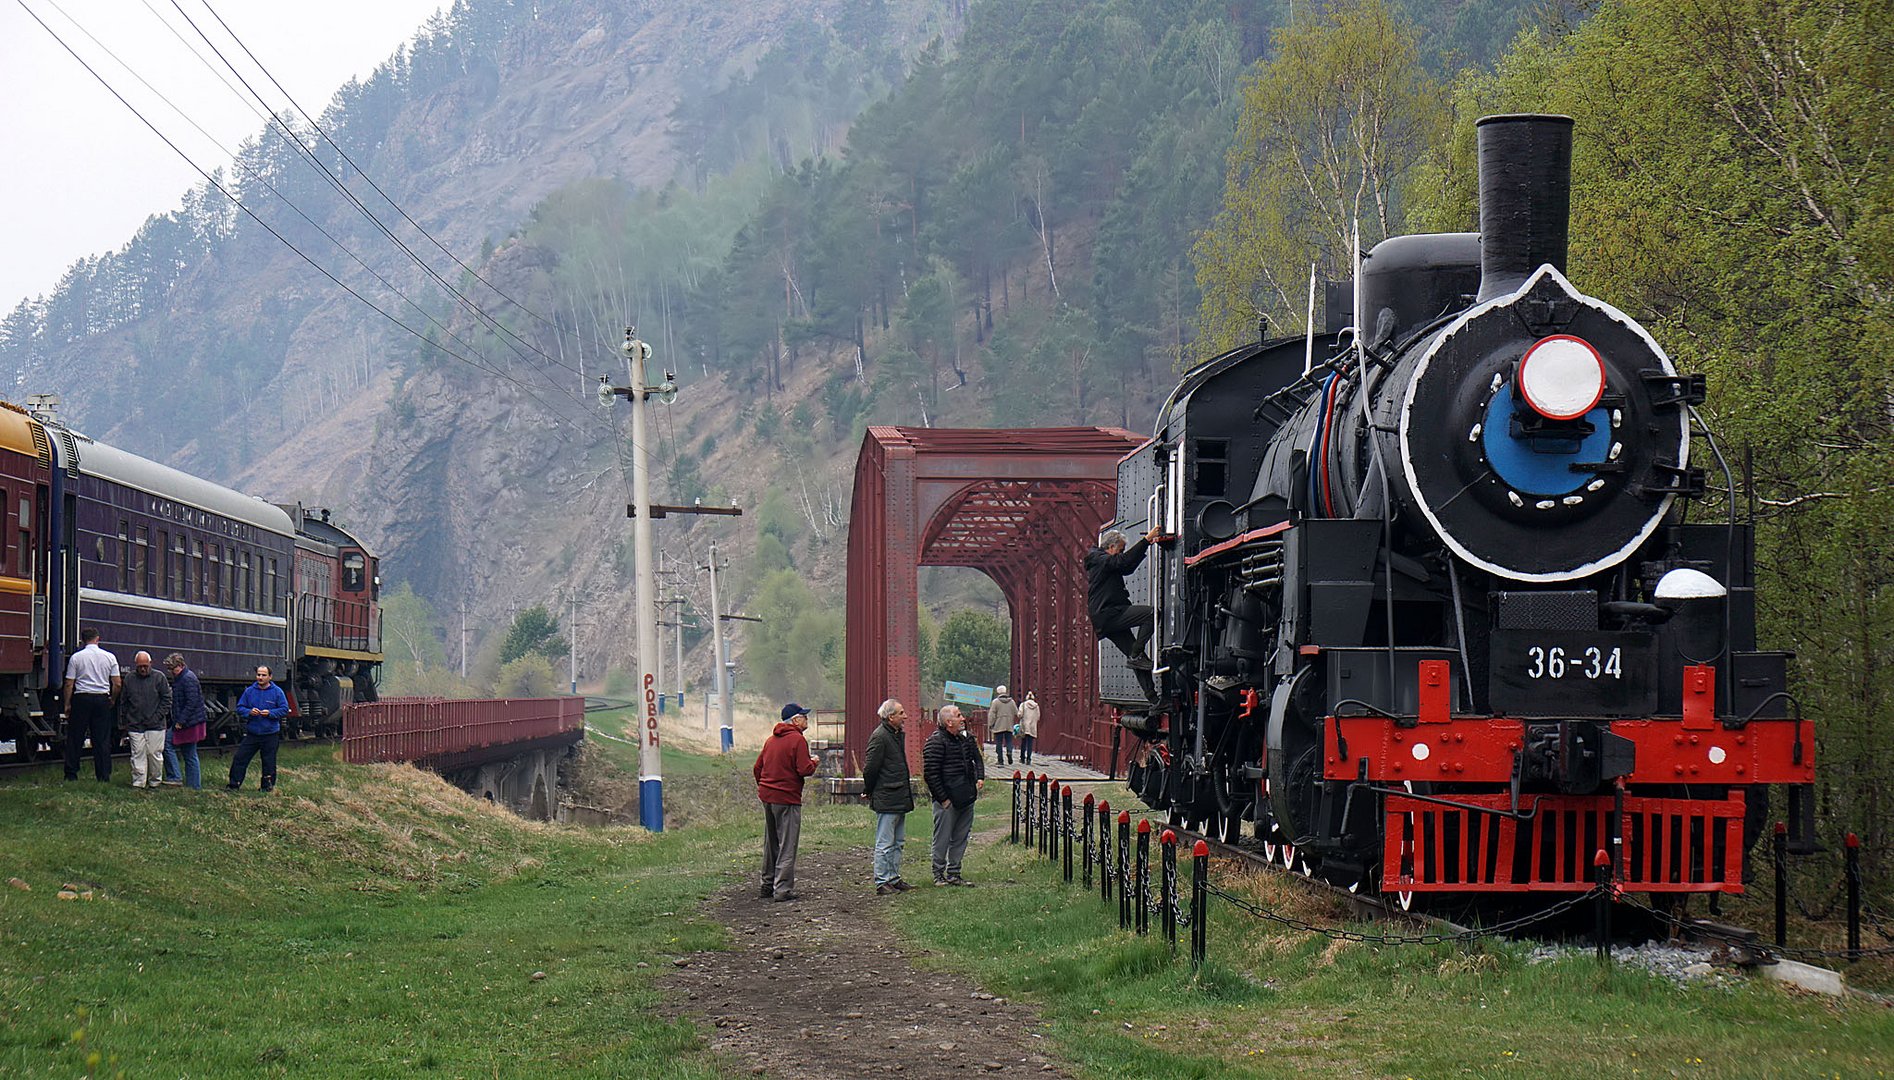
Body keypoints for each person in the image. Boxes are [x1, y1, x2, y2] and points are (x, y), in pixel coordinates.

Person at [1085, 527, 1165, 700]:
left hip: (1105, 616)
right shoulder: (1100, 559)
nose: (1120, 553)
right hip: (1108, 613)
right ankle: (1136, 654)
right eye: (1120, 549)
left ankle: (1154, 700)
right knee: (1151, 614)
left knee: (1136, 658)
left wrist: (1147, 544)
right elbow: (1122, 562)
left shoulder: (1102, 561)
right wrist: (1146, 540)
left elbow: (1126, 566)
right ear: (1111, 547)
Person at [753, 703, 819, 903]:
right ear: (795, 720)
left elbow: (757, 768)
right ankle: (782, 889)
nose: (806, 720)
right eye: (804, 717)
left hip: (768, 797)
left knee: (771, 842)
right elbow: (804, 769)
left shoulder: (770, 740)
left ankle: (767, 884)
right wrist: (814, 762)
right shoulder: (797, 740)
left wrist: (765, 787)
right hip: (787, 798)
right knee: (787, 844)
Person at [922, 704, 984, 886]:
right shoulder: (936, 742)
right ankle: (938, 873)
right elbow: (931, 774)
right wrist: (943, 799)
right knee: (942, 837)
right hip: (947, 799)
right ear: (949, 722)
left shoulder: (967, 739)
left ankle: (954, 872)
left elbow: (977, 758)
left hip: (966, 796)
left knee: (961, 836)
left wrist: (979, 777)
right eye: (958, 716)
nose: (963, 718)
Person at [862, 698, 915, 895]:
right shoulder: (880, 737)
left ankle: (893, 878)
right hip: (888, 795)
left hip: (898, 795)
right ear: (891, 716)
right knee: (885, 842)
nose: (905, 717)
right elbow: (870, 768)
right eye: (901, 713)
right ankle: (882, 881)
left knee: (898, 841)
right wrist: (869, 789)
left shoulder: (894, 734)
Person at [61, 628, 122, 782]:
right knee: (101, 739)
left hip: (82, 698)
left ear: (82, 640)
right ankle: (103, 775)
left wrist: (67, 704)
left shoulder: (76, 658)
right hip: (101, 699)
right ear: (98, 639)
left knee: (75, 738)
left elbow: (69, 683)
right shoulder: (109, 657)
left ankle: (71, 774)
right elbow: (117, 684)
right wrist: (112, 699)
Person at [227, 665, 289, 792]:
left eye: (263, 675)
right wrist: (249, 712)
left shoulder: (277, 692)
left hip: (270, 734)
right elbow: (240, 708)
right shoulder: (249, 691)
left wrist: (270, 713)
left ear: (270, 677)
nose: (260, 677)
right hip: (253, 733)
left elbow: (284, 709)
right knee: (240, 758)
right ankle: (234, 784)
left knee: (268, 762)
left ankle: (267, 787)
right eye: (258, 675)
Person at [119, 651, 172, 789]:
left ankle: (155, 781)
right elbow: (124, 701)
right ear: (136, 665)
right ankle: (138, 782)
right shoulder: (129, 679)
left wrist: (157, 717)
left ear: (150, 663)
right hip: (135, 724)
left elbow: (167, 699)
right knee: (137, 754)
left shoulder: (159, 678)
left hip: (156, 724)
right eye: (140, 666)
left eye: (145, 666)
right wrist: (125, 720)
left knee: (154, 754)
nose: (143, 669)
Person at [164, 653, 208, 790]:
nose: (171, 672)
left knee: (167, 743)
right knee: (189, 753)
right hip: (191, 722)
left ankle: (175, 777)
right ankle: (194, 786)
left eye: (173, 669)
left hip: (188, 723)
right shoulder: (184, 677)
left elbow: (191, 702)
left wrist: (180, 721)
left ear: (181, 665)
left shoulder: (187, 679)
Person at [988, 685, 1017, 766]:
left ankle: (1000, 760)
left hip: (998, 724)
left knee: (999, 742)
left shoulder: (995, 702)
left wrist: (990, 724)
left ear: (998, 692)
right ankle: (1009, 752)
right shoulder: (1012, 702)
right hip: (1009, 725)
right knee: (1009, 741)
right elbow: (1016, 712)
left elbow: (992, 715)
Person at [1017, 691, 1041, 765]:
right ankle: (1029, 759)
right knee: (1030, 743)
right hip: (1032, 726)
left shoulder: (1023, 704)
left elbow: (1020, 714)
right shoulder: (1036, 706)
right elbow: (1038, 717)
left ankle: (1022, 758)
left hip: (1024, 726)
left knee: (1023, 743)